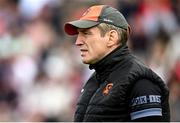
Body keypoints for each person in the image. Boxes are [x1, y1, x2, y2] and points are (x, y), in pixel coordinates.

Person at [64, 5, 170, 122]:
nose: (78, 42)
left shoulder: (141, 82)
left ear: (111, 37)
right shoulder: (94, 80)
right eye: (78, 34)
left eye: (86, 33)